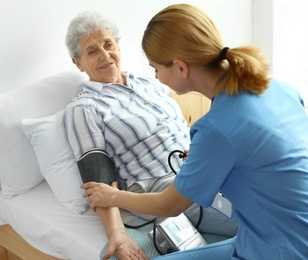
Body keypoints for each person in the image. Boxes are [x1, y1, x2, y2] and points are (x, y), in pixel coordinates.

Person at [82, 4, 308, 260]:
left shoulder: (215, 129)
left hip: (282, 250)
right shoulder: (278, 87)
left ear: (180, 67)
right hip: (270, 235)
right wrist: (209, 158)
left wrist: (114, 196)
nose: (156, 77)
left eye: (156, 68)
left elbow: (169, 205)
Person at [64, 10, 238, 260]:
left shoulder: (149, 81)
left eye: (108, 44)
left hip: (197, 162)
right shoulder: (84, 108)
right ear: (78, 63)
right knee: (252, 214)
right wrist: (118, 235)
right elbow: (99, 183)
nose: (105, 55)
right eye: (92, 51)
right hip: (161, 186)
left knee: (262, 187)